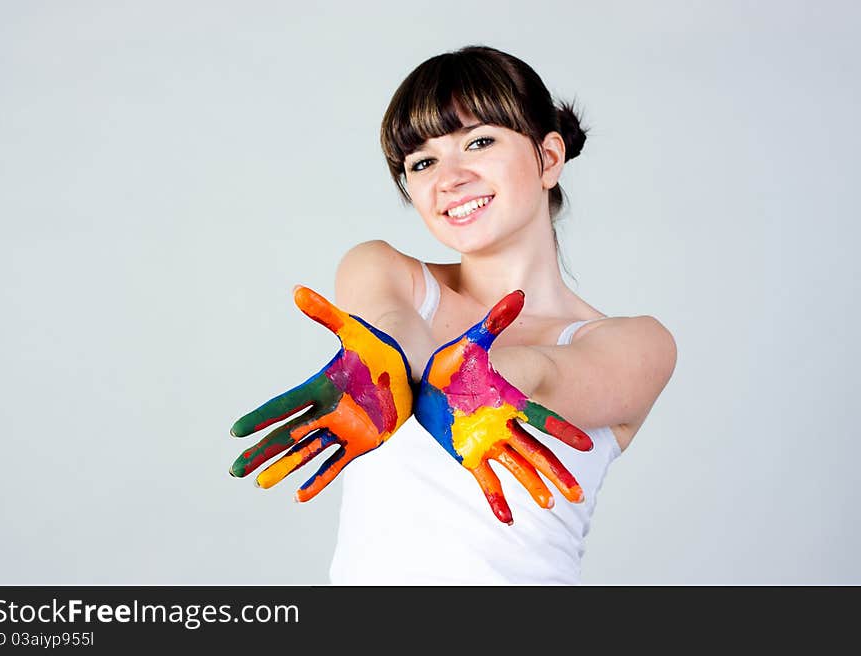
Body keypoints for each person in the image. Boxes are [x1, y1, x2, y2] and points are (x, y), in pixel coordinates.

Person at [230, 44, 677, 585]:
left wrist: (482, 382)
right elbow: (394, 333)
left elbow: (548, 375)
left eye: (480, 142)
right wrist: (386, 364)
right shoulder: (386, 271)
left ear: (549, 158)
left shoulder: (635, 343)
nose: (450, 177)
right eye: (422, 162)